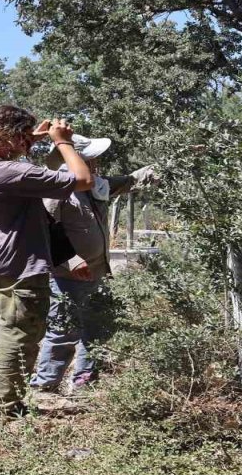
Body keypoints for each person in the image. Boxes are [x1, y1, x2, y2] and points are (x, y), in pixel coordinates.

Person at [0, 106, 93, 414]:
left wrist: (29, 139)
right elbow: (83, 179)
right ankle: (7, 404)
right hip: (19, 267)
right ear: (13, 138)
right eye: (24, 137)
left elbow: (1, 156)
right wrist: (62, 142)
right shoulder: (12, 173)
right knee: (19, 333)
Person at [30, 135, 157, 392]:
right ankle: (44, 386)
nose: (97, 162)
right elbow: (45, 232)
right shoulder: (56, 189)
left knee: (95, 327)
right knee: (63, 329)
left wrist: (171, 163)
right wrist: (74, 262)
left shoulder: (96, 185)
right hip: (69, 276)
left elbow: (131, 181)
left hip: (97, 271)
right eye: (91, 158)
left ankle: (84, 380)